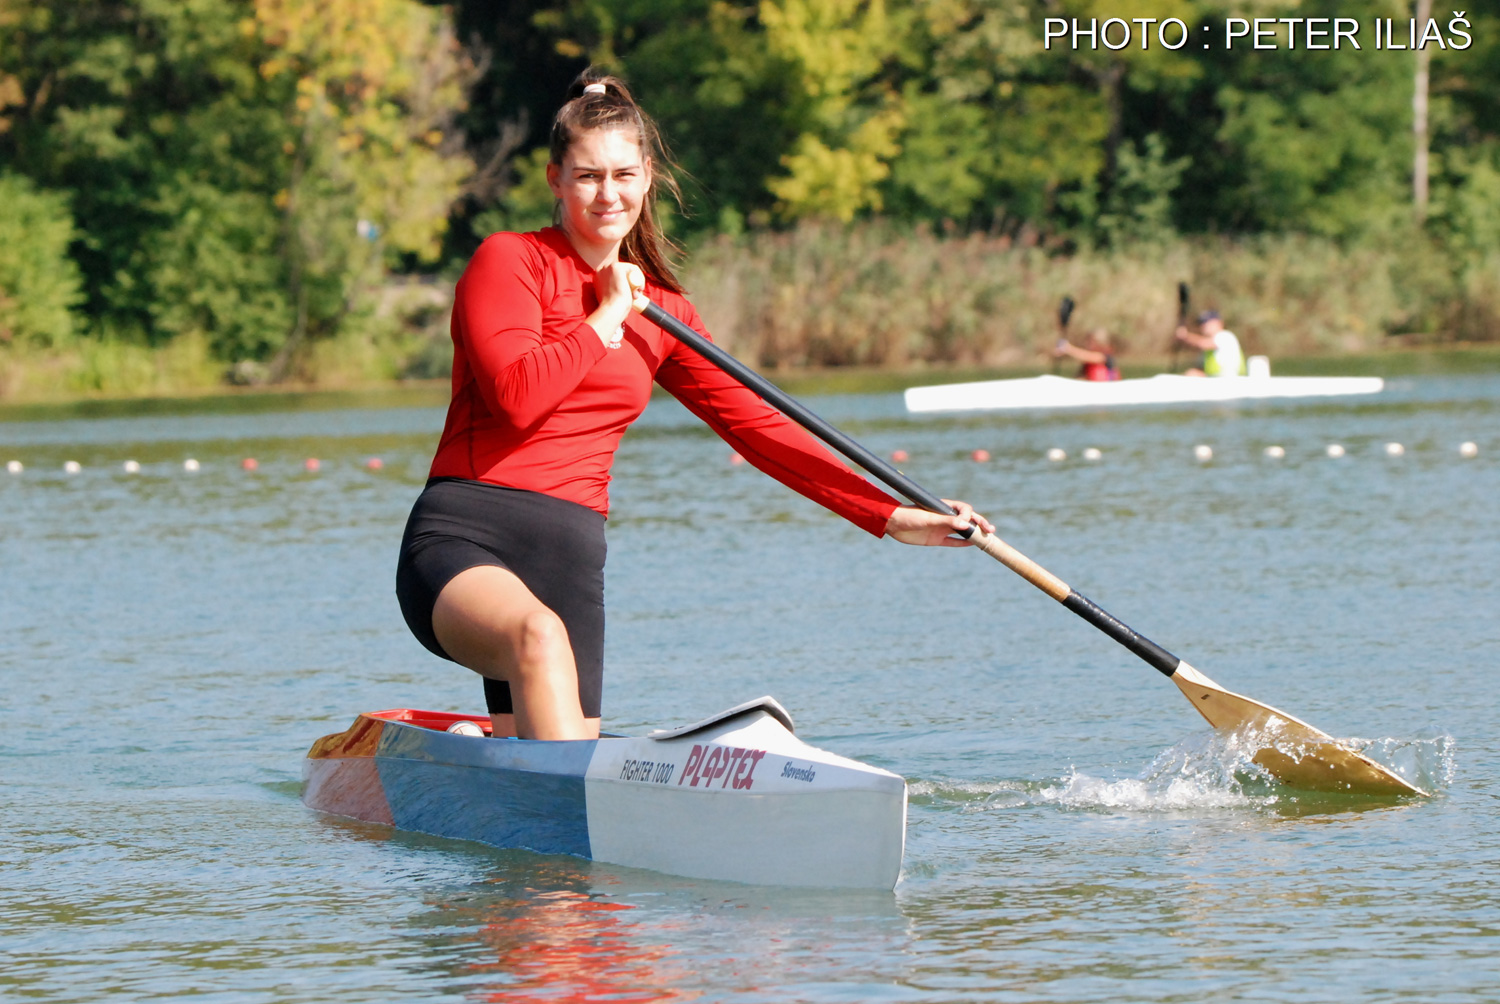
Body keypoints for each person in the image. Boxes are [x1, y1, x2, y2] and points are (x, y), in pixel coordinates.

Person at [395, 70, 994, 742]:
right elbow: (516, 398)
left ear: (647, 176)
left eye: (623, 174)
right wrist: (608, 313)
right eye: (587, 176)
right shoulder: (510, 262)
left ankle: (505, 778)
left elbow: (762, 428)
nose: (607, 193)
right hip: (463, 540)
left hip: (569, 562)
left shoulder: (666, 313)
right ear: (555, 179)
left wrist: (889, 514)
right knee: (537, 637)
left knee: (541, 729)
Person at [1174, 310, 1246, 377]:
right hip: (1216, 379)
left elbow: (1203, 344)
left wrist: (1186, 336)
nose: (1204, 326)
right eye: (1202, 323)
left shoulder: (1225, 336)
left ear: (1218, 322)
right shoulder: (1211, 345)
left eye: (1206, 322)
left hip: (1229, 380)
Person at [1052, 328, 1120, 381]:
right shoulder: (1087, 364)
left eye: (1090, 341)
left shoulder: (1105, 356)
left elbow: (1087, 356)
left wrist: (1067, 348)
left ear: (1099, 342)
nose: (1087, 344)